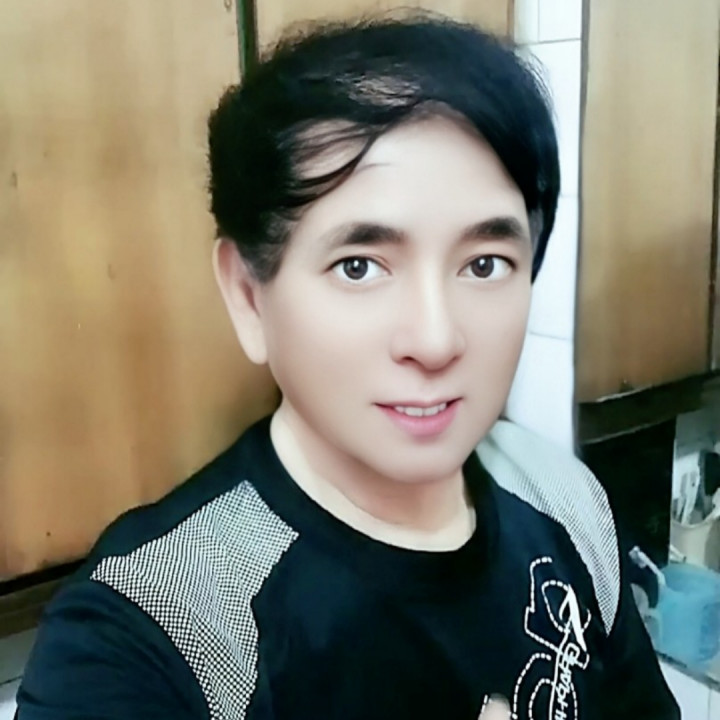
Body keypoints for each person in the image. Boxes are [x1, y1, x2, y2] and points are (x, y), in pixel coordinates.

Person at [15, 13, 679, 720]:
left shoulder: (563, 499)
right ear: (248, 295)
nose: (435, 340)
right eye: (359, 266)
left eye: (485, 264)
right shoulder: (149, 629)